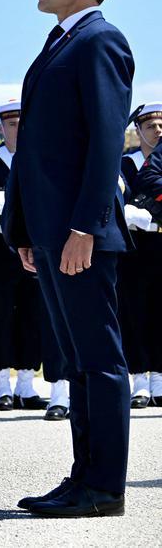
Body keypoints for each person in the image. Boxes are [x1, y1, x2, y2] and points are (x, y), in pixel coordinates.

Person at [9, 0, 133, 518]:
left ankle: (104, 487)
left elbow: (107, 141)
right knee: (77, 362)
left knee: (100, 361)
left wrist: (85, 226)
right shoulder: (58, 44)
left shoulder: (100, 41)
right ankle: (84, 477)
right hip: (54, 233)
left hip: (81, 234)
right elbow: (34, 151)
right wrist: (25, 230)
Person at [0, 101, 70, 420]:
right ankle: (2, 386)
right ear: (2, 127)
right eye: (11, 124)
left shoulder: (42, 158)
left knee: (35, 315)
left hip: (38, 245)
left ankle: (27, 384)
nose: (17, 129)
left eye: (21, 123)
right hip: (0, 244)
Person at [118, 102, 162, 408]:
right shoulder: (125, 164)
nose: (158, 131)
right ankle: (139, 379)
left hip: (160, 244)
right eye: (150, 126)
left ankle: (159, 376)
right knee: (134, 311)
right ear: (138, 131)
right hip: (134, 246)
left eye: (161, 126)